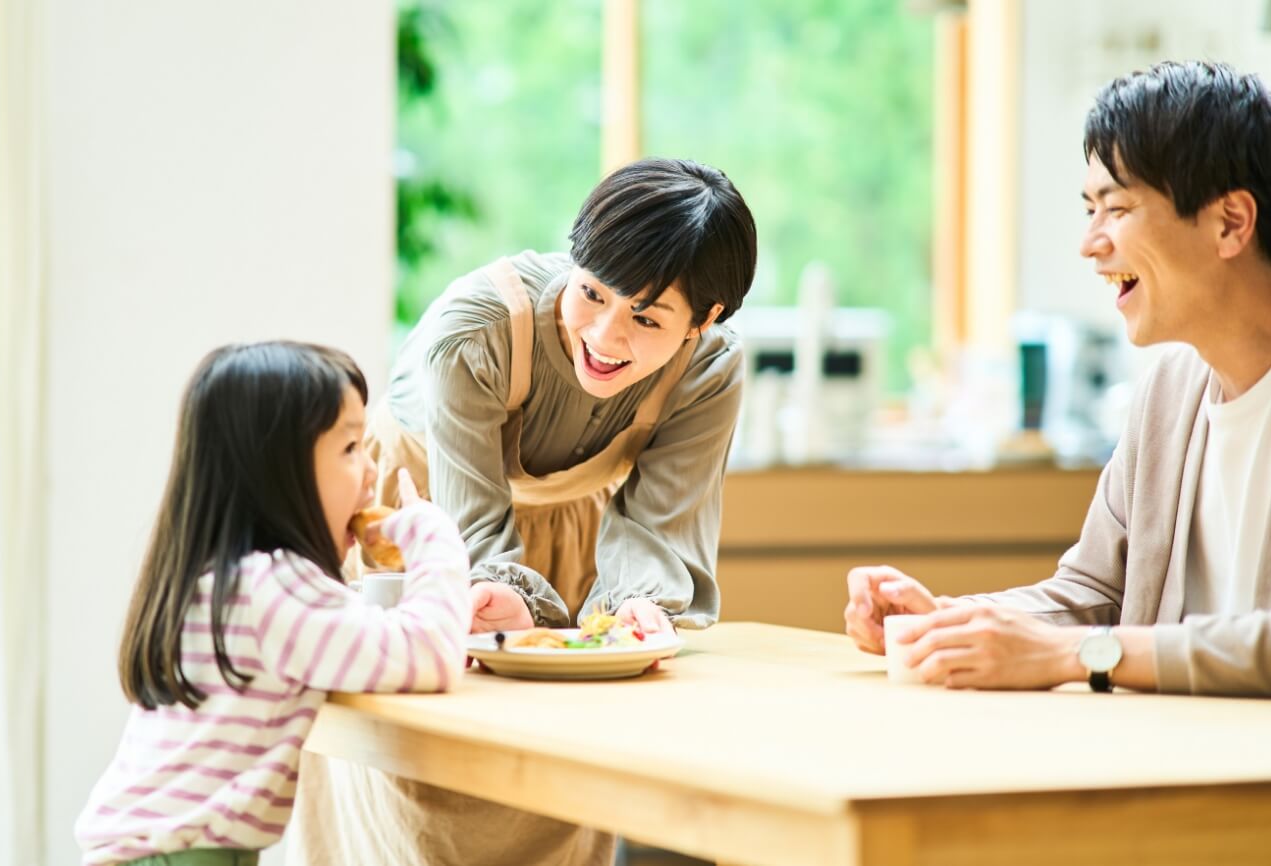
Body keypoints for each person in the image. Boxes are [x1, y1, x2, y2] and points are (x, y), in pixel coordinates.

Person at [289, 157, 758, 866]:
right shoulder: (474, 331)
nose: (606, 336)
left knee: (561, 773)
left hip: (572, 533)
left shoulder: (710, 371)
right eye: (592, 292)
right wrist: (497, 593)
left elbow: (660, 525)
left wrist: (632, 612)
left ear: (705, 320)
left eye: (646, 316)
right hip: (419, 528)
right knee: (419, 783)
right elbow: (469, 526)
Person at [845, 60, 1271, 696]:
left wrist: (1081, 654)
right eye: (1089, 210)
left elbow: (1085, 641)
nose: (1090, 243)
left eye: (1116, 208)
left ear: (1231, 222)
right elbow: (1092, 593)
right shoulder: (1168, 393)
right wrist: (949, 624)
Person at [75, 342, 471, 866]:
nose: (371, 470)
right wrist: (433, 537)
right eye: (351, 448)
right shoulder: (274, 587)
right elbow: (430, 655)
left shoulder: (217, 580)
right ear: (280, 473)